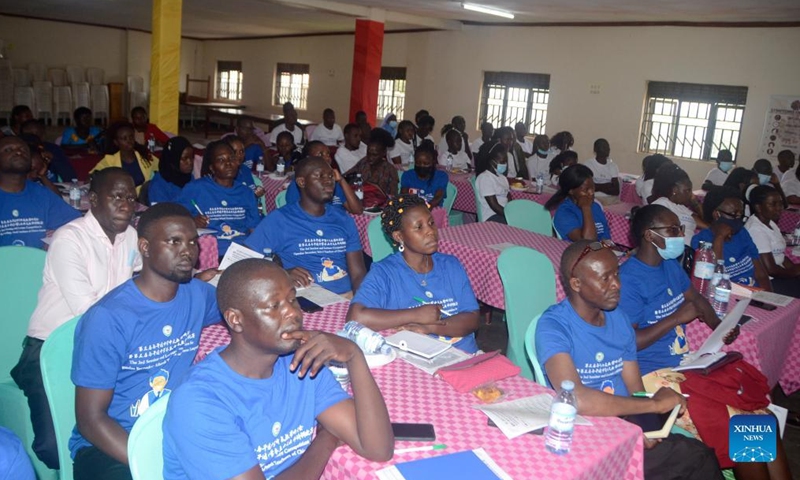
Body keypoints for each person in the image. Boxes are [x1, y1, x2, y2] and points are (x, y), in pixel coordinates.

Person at [162, 259, 393, 479]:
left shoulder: (300, 362)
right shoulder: (201, 400)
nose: (293, 313)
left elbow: (377, 448)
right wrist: (325, 441)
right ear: (235, 319)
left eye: (292, 300)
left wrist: (354, 357)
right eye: (274, 306)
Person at [535, 240, 723, 480]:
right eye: (605, 278)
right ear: (576, 284)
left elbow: (636, 391)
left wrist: (645, 425)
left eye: (616, 274)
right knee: (695, 457)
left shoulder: (619, 320)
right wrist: (653, 407)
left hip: (624, 423)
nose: (616, 285)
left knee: (696, 455)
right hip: (582, 433)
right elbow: (576, 398)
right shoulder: (554, 325)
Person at [68, 203, 221, 480]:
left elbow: (244, 309)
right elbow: (91, 420)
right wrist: (149, 462)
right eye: (174, 241)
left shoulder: (197, 295)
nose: (187, 250)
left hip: (173, 431)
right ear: (145, 247)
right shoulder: (108, 318)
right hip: (112, 445)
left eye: (192, 241)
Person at [11, 168, 140, 469]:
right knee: (53, 448)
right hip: (52, 346)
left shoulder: (130, 236)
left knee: (126, 425)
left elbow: (138, 285)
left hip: (104, 346)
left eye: (131, 198)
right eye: (116, 196)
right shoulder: (70, 239)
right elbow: (88, 310)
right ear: (92, 200)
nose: (125, 204)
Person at [347, 194, 480, 352]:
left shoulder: (450, 264)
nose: (430, 231)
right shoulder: (385, 272)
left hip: (464, 354)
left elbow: (472, 317)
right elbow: (356, 318)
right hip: (419, 359)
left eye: (431, 223)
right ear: (399, 236)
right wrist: (416, 314)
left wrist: (430, 327)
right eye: (419, 227)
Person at [619, 204, 732, 375]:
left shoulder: (669, 264)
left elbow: (696, 299)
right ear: (650, 235)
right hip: (651, 370)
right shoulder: (628, 280)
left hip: (682, 361)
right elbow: (630, 342)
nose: (681, 235)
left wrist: (721, 327)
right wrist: (677, 317)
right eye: (673, 230)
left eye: (680, 229)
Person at [247, 157, 366, 296]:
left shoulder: (344, 219)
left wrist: (360, 303)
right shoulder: (280, 219)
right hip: (305, 298)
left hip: (346, 295)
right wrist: (281, 274)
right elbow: (244, 260)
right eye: (319, 176)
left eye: (330, 176)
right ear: (302, 182)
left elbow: (358, 274)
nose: (328, 181)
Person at [178, 141, 260, 256]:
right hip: (209, 252)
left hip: (240, 250)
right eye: (221, 160)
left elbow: (254, 229)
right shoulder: (196, 188)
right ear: (212, 168)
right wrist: (192, 221)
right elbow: (173, 216)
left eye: (231, 159)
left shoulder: (246, 192)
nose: (228, 164)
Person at [0, 136, 80, 248]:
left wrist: (56, 239)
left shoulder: (42, 194)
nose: (18, 152)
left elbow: (76, 225)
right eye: (8, 150)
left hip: (38, 262)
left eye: (23, 150)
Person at [691, 186, 772, 289]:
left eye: (741, 214)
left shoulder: (742, 233)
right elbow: (714, 281)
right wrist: (719, 238)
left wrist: (768, 298)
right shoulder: (700, 241)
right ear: (717, 214)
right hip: (726, 295)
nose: (738, 219)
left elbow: (761, 274)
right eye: (733, 214)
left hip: (754, 293)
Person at [745, 185, 800, 297]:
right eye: (773, 204)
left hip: (781, 274)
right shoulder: (755, 229)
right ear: (758, 207)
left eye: (780, 203)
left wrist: (794, 269)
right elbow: (770, 269)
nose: (779, 207)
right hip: (768, 281)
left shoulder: (770, 223)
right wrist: (795, 272)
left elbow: (780, 255)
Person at [285, 141, 363, 214]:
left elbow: (357, 210)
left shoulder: (333, 183)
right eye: (320, 154)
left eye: (328, 154)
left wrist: (342, 180)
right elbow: (296, 215)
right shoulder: (299, 185)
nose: (327, 158)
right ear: (308, 158)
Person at [547, 164, 611, 242]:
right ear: (571, 191)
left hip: (600, 250)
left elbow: (606, 238)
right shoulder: (564, 212)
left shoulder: (595, 206)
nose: (591, 192)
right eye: (586, 190)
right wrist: (586, 208)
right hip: (580, 252)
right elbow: (587, 242)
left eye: (593, 187)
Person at [650, 164, 707, 245]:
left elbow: (707, 226)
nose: (691, 194)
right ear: (675, 190)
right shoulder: (661, 205)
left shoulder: (680, 207)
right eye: (687, 190)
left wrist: (695, 203)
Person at [90, 122, 155, 192]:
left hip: (146, 197)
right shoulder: (110, 160)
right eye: (124, 138)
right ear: (116, 142)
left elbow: (161, 167)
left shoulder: (145, 156)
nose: (129, 141)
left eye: (131, 137)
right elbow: (92, 176)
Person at [350, 128, 399, 204]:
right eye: (368, 153)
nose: (370, 157)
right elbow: (347, 176)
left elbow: (393, 196)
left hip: (381, 206)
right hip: (360, 202)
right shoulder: (363, 162)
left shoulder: (390, 170)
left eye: (374, 155)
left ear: (383, 153)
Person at [147, 136, 193, 205]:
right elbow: (160, 214)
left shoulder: (189, 177)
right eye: (185, 158)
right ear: (173, 159)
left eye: (192, 157)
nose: (190, 162)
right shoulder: (158, 185)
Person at [401, 140, 448, 208]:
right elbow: (404, 195)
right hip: (411, 210)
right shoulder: (408, 175)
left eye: (426, 163)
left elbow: (438, 197)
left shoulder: (441, 176)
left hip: (433, 210)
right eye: (418, 163)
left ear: (433, 162)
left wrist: (425, 208)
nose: (421, 166)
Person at [475, 140, 511, 223]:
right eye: (502, 162)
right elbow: (494, 206)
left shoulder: (502, 178)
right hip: (491, 216)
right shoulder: (485, 178)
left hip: (503, 213)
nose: (505, 164)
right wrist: (510, 215)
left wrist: (512, 210)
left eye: (506, 161)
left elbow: (508, 196)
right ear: (492, 162)